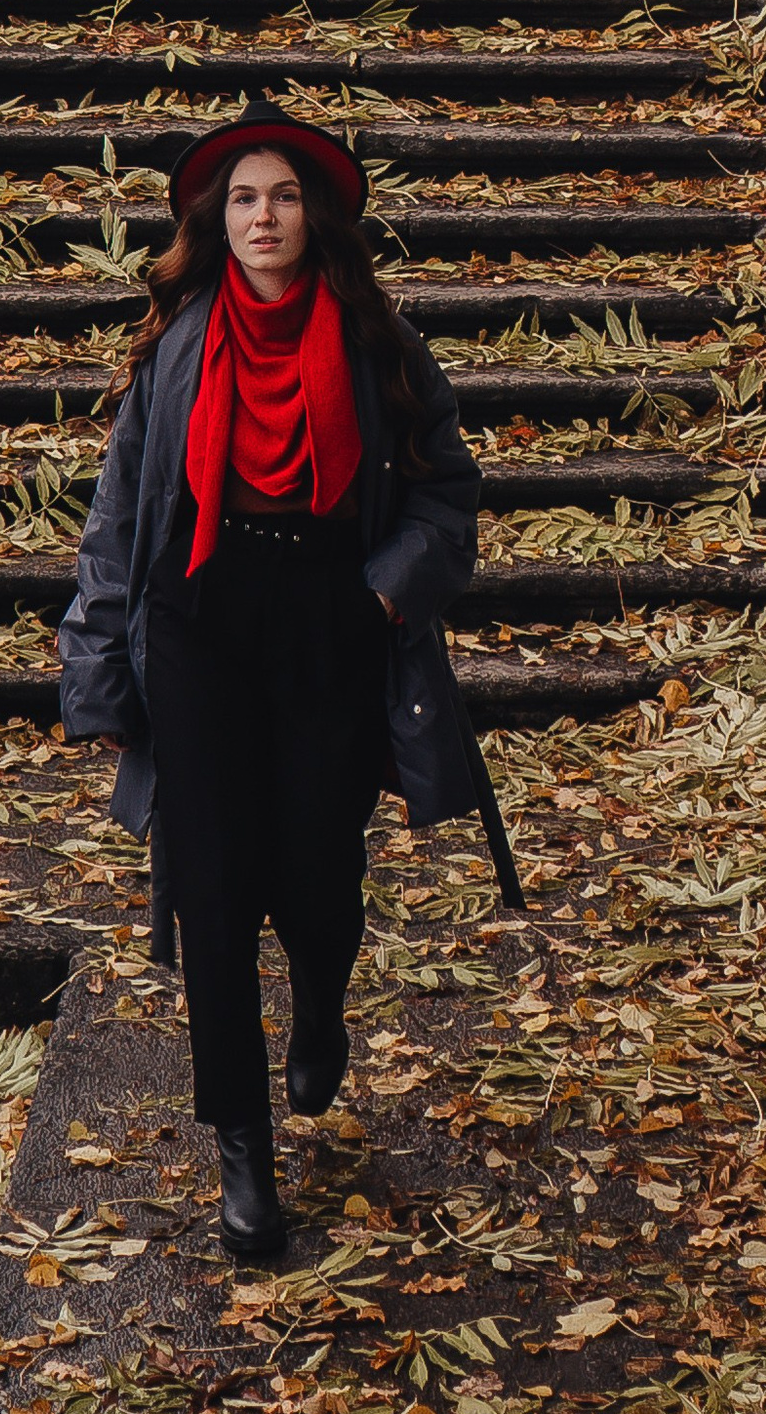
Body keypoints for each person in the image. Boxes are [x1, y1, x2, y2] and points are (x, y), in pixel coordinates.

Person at [58, 109, 482, 1258]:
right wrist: (95, 668)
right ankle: (241, 1151)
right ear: (216, 220)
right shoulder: (178, 345)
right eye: (243, 198)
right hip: (200, 619)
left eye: (283, 196)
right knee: (209, 889)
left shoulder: (377, 340)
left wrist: (387, 588)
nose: (262, 216)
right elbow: (119, 520)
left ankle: (324, 1003)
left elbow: (449, 493)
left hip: (329, 618)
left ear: (316, 215)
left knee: (315, 867)